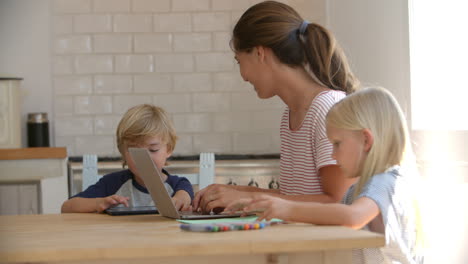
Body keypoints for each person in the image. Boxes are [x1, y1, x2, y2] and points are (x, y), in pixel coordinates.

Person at [193, 0, 360, 213]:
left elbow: (337, 202)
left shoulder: (327, 108)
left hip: (332, 246)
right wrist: (239, 193)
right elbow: (296, 198)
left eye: (239, 61)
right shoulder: (291, 115)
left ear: (260, 53)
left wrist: (247, 197)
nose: (243, 76)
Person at [225, 87, 424, 264]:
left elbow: (352, 217)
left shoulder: (386, 182)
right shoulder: (359, 189)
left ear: (366, 140)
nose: (332, 154)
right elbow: (333, 218)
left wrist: (286, 208)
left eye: (337, 143)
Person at [61, 104, 194, 213]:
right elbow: (67, 207)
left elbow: (184, 196)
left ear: (169, 149)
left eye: (153, 150)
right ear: (123, 152)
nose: (145, 159)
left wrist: (180, 199)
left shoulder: (179, 185)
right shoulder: (112, 183)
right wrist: (98, 203)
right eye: (135, 151)